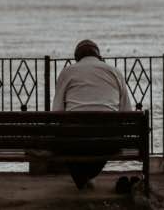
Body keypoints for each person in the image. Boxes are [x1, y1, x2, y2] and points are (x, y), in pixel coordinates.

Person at [51, 39, 133, 189]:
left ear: (77, 57)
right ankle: (86, 177)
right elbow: (127, 112)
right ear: (99, 56)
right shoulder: (114, 72)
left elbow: (57, 112)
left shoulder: (68, 71)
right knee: (105, 137)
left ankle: (82, 177)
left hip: (74, 141)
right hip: (107, 142)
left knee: (64, 138)